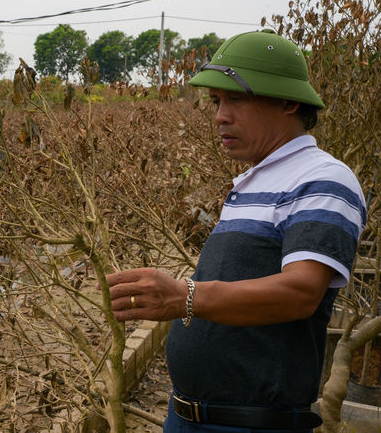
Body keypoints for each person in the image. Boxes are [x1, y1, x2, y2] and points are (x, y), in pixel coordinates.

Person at [100, 29, 367, 432]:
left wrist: (184, 295)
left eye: (236, 99)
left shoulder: (323, 178)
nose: (220, 115)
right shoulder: (250, 183)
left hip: (253, 424)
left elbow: (300, 293)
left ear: (289, 101)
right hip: (188, 417)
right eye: (216, 101)